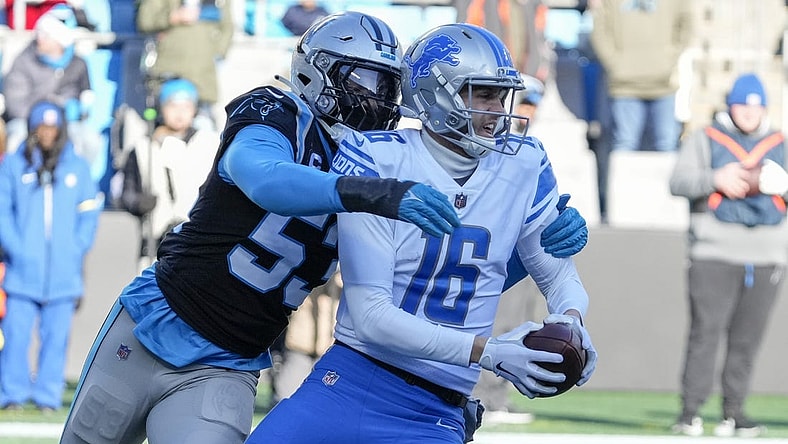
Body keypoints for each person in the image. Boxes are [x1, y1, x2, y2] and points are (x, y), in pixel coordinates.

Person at [58, 12, 462, 444]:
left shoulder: (383, 163)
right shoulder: (276, 111)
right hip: (153, 324)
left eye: (387, 86)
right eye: (364, 79)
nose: (377, 98)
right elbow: (265, 178)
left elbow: (437, 269)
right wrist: (370, 193)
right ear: (318, 73)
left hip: (228, 363)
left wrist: (527, 252)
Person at [247, 23, 598, 444]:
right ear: (435, 94)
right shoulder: (378, 157)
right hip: (354, 381)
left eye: (500, 94)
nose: (498, 109)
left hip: (439, 407)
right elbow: (372, 317)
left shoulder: (524, 162)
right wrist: (489, 352)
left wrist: (571, 322)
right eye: (482, 93)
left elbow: (559, 277)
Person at [669, 73, 787, 438]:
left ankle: (734, 410)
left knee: (747, 339)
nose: (749, 114)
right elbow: (678, 182)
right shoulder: (706, 138)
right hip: (714, 250)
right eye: (742, 105)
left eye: (755, 106)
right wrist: (716, 178)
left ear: (764, 108)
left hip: (766, 252)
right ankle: (690, 411)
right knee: (706, 334)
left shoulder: (779, 143)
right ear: (730, 106)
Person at [0, 101, 101, 413]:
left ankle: (47, 395)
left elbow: (88, 212)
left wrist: (76, 246)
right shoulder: (16, 165)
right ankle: (11, 392)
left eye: (52, 127)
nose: (46, 133)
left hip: (63, 271)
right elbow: (3, 211)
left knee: (56, 338)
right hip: (22, 270)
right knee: (15, 335)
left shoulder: (77, 166)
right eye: (41, 127)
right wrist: (17, 248)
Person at [118, 78, 218, 270]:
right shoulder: (142, 147)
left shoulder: (210, 144)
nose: (180, 113)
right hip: (156, 244)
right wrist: (138, 202)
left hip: (199, 241)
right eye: (172, 106)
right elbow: (125, 192)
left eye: (186, 106)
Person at [3, 5, 100, 171]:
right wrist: (43, 117)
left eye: (46, 35)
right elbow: (15, 103)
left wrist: (79, 110)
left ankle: (75, 187)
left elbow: (86, 98)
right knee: (15, 139)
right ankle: (20, 185)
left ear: (59, 40)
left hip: (65, 124)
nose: (40, 39)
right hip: (29, 123)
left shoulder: (78, 63)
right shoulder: (24, 61)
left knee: (90, 140)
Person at [589, 0, 692, 152]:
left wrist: (668, 59)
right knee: (624, 143)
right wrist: (616, 64)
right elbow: (599, 29)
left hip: (663, 84)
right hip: (624, 86)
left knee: (667, 143)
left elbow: (686, 24)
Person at [136, 0, 234, 131]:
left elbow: (227, 26)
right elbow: (145, 20)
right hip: (167, 77)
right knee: (162, 135)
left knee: (205, 135)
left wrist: (217, 52)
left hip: (202, 79)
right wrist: (173, 17)